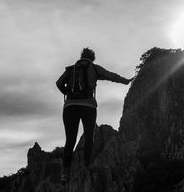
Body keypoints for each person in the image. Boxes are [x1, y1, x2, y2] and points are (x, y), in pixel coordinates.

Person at [56, 47, 132, 184]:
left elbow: (58, 83)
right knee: (89, 136)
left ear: (81, 56)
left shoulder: (70, 69)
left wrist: (67, 93)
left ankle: (65, 174)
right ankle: (86, 165)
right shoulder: (94, 68)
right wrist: (125, 81)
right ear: (92, 58)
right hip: (88, 106)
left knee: (70, 140)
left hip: (70, 107)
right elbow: (110, 75)